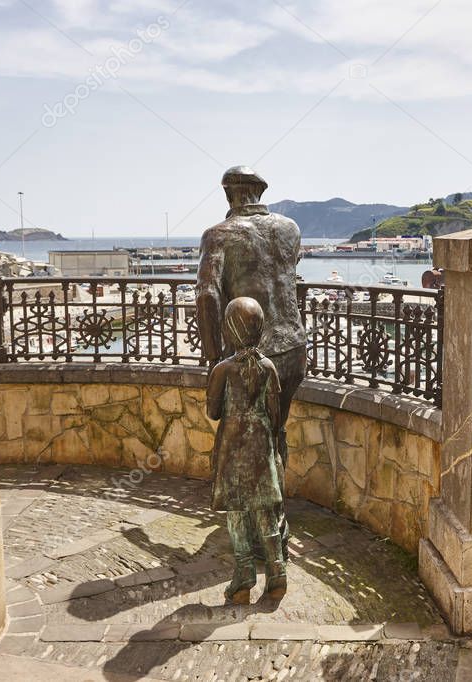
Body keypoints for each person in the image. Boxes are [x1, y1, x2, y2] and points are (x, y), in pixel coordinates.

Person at [197, 166, 308, 558]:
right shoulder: (290, 228)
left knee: (246, 444)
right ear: (260, 191)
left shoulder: (218, 235)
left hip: (249, 349)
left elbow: (207, 296)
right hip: (293, 347)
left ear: (229, 194)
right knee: (273, 433)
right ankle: (277, 526)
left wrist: (214, 358)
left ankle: (258, 538)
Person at [206, 297, 286, 604]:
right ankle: (277, 573)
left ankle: (243, 576)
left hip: (231, 448)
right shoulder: (268, 367)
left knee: (237, 512)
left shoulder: (222, 370)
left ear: (229, 330)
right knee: (265, 510)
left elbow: (214, 413)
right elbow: (276, 415)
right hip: (261, 448)